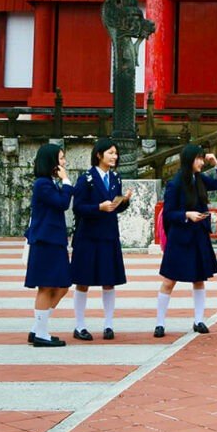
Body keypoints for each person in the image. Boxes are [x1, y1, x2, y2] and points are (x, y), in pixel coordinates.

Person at [155, 143, 217, 337]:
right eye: (198, 158)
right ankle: (160, 323)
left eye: (202, 158)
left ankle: (199, 320)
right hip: (180, 238)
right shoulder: (175, 183)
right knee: (169, 281)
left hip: (198, 236)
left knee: (199, 279)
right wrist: (187, 215)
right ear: (189, 160)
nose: (202, 162)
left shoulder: (200, 179)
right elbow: (168, 213)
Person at [70, 138, 131, 340]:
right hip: (88, 236)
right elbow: (78, 207)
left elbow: (114, 207)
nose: (115, 157)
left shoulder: (116, 178)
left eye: (116, 153)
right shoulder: (86, 178)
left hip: (109, 234)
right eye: (110, 153)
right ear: (99, 155)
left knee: (109, 281)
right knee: (83, 281)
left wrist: (124, 201)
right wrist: (98, 207)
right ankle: (80, 325)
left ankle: (108, 324)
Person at [24, 142, 74, 348]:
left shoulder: (49, 183)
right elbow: (62, 204)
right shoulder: (42, 184)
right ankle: (41, 333)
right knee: (45, 287)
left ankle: (38, 328)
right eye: (61, 158)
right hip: (45, 241)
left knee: (61, 286)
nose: (64, 162)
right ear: (51, 161)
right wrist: (66, 181)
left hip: (53, 240)